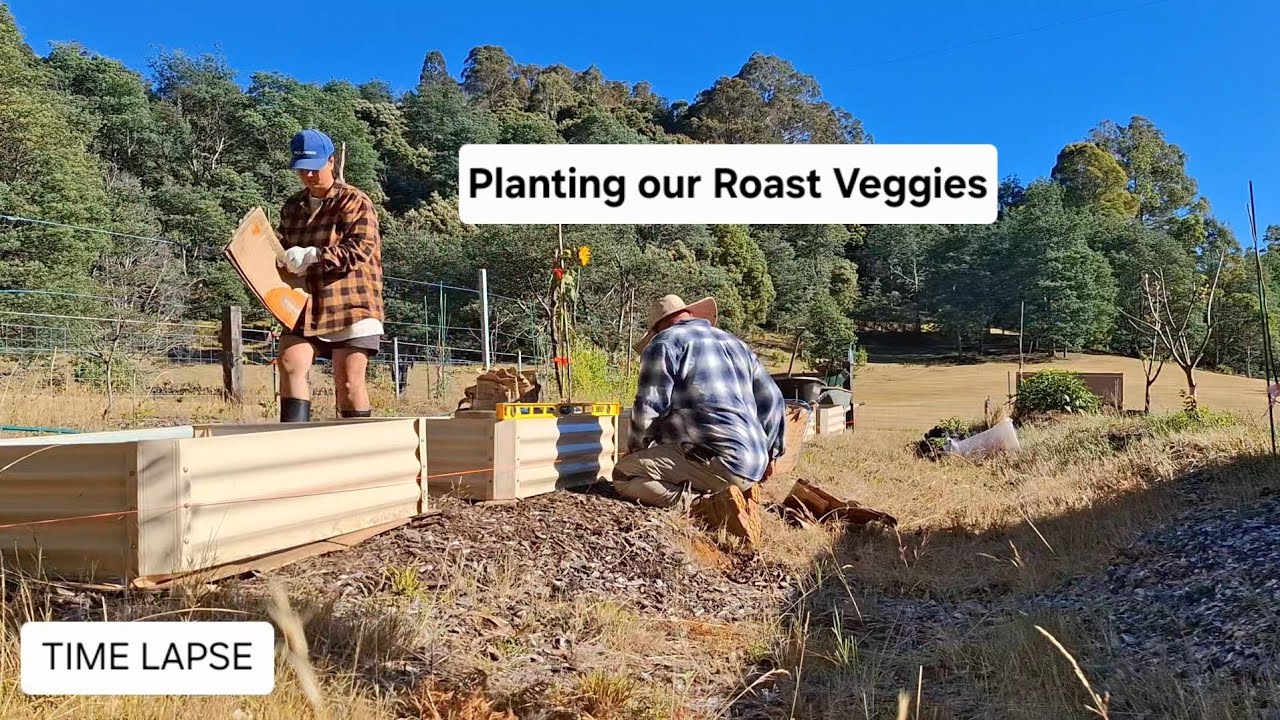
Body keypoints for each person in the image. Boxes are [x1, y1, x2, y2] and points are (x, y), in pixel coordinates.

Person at [612, 294, 787, 508]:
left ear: (657, 328)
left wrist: (636, 449)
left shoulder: (664, 342)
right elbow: (773, 400)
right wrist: (771, 453)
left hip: (718, 463)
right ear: (690, 314)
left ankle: (703, 505)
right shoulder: (736, 343)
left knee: (624, 474)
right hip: (755, 463)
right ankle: (731, 492)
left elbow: (648, 406)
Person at [274, 128, 385, 422]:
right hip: (305, 305)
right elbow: (279, 248)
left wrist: (315, 256)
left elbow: (361, 249)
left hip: (352, 304)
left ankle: (358, 443)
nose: (309, 175)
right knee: (290, 362)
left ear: (332, 161)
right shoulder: (292, 207)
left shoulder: (355, 201)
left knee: (348, 381)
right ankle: (292, 438)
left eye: (315, 168)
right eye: (302, 170)